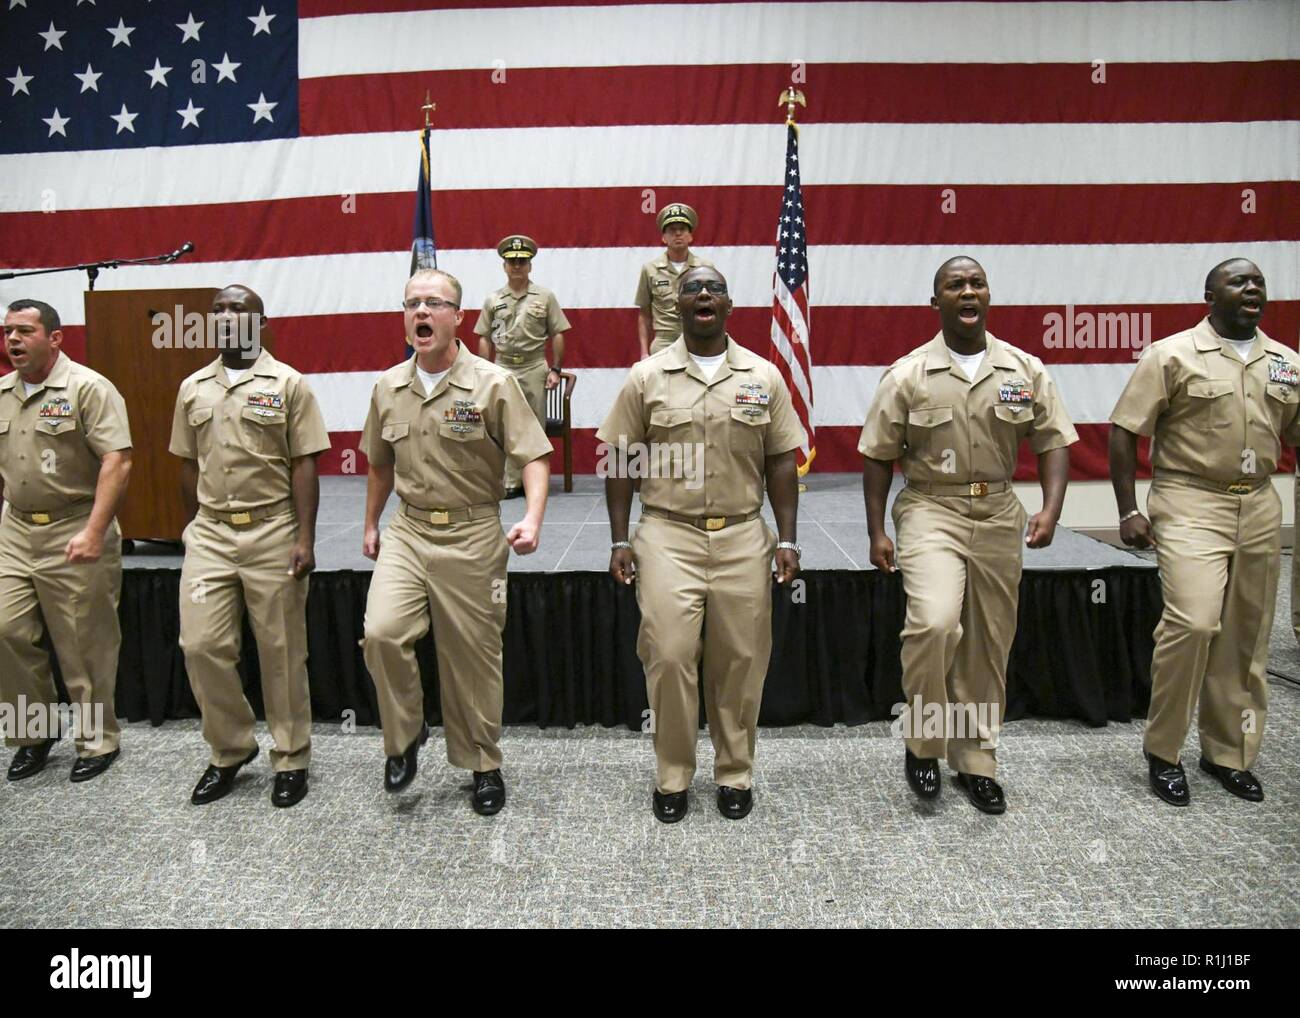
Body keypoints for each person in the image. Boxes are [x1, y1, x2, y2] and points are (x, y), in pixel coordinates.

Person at [860, 256, 1076, 815]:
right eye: (954, 285)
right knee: (934, 623)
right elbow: (879, 457)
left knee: (988, 640)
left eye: (976, 282)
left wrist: (1050, 508)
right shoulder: (908, 374)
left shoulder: (1022, 369)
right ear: (936, 303)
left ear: (988, 295)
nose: (967, 290)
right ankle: (924, 742)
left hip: (999, 510)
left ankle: (977, 759)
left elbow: (1053, 441)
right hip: (932, 508)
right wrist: (876, 529)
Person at [599, 266, 803, 823]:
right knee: (667, 655)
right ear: (679, 307)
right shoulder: (647, 377)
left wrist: (788, 538)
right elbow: (619, 459)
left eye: (713, 288)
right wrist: (621, 537)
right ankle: (672, 774)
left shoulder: (763, 377)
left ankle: (734, 772)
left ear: (730, 304)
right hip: (666, 533)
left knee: (741, 659)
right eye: (692, 289)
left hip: (742, 533)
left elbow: (781, 461)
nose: (703, 295)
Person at [360, 268, 552, 815]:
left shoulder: (492, 383)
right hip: (410, 528)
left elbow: (535, 456)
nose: (422, 313)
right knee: (381, 633)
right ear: (404, 317)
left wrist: (533, 519)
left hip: (471, 533)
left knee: (473, 655)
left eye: (434, 304)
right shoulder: (387, 387)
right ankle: (406, 736)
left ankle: (482, 763)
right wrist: (372, 523)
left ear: (457, 317)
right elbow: (378, 463)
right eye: (413, 304)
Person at [1109, 258, 1297, 806]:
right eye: (1239, 282)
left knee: (1246, 635)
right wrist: (1127, 510)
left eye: (1258, 281)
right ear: (1210, 295)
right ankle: (1163, 751)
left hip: (1259, 503)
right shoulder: (1171, 354)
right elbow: (1124, 431)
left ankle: (1227, 753)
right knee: (1192, 622)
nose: (1252, 289)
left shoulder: (1285, 363)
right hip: (1190, 499)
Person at [169, 285, 330, 808]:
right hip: (212, 531)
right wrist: (192, 525)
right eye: (218, 309)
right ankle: (230, 748)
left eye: (239, 308)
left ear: (260, 322)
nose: (226, 315)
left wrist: (305, 537)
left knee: (281, 650)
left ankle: (291, 756)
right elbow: (186, 462)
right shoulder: (193, 387)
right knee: (200, 645)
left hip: (272, 528)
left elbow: (304, 463)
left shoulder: (288, 384)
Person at [0, 299, 132, 782]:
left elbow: (117, 461)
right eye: (7, 331)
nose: (13, 340)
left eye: (25, 331)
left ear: (55, 338)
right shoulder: (1, 393)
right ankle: (33, 733)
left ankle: (97, 739)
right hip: (15, 530)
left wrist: (95, 530)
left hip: (73, 525)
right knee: (5, 632)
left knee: (84, 644)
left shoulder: (88, 389)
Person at [473, 235, 570, 498]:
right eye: (512, 261)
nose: (517, 265)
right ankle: (510, 481)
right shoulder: (493, 300)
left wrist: (556, 369)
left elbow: (558, 332)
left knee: (534, 427)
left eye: (522, 261)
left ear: (530, 265)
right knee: (503, 426)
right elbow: (484, 337)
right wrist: (485, 370)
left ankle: (532, 482)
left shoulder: (545, 297)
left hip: (534, 366)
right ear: (504, 265)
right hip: (503, 367)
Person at [634, 203, 713, 359]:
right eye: (672, 230)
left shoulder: (705, 269)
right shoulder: (650, 269)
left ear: (690, 236)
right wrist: (644, 352)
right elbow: (644, 314)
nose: (678, 234)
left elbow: (715, 308)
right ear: (664, 237)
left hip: (697, 337)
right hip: (664, 341)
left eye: (682, 230)